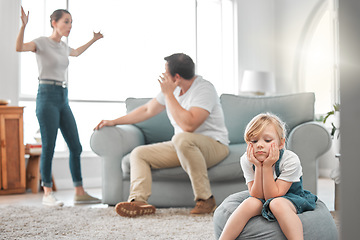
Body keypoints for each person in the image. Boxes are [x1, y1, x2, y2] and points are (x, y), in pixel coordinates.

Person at [95, 53, 230, 217]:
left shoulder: (204, 88)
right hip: (183, 145)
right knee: (139, 153)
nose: (163, 76)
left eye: (165, 72)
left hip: (214, 145)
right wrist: (114, 122)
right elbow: (147, 110)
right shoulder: (174, 89)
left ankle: (205, 200)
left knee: (181, 138)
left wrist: (168, 95)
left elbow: (189, 125)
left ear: (177, 77)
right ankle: (138, 202)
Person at [16, 7, 103, 207]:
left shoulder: (64, 47)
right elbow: (19, 47)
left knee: (76, 146)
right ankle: (47, 192)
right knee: (49, 146)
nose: (70, 26)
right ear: (54, 22)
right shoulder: (41, 43)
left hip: (63, 97)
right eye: (66, 21)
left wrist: (93, 39)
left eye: (71, 22)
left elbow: (77, 52)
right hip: (46, 96)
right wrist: (23, 26)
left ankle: (79, 192)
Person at [218, 113, 317, 240]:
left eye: (267, 140)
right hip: (263, 197)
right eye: (254, 141)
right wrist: (258, 166)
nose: (259, 145)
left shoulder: (290, 160)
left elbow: (274, 196)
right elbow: (256, 194)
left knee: (276, 204)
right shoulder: (247, 159)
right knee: (249, 203)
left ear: (281, 143)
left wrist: (267, 166)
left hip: (289, 197)